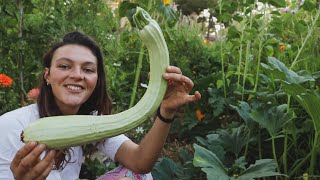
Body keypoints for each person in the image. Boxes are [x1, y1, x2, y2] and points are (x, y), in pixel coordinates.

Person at [0, 31, 201, 180]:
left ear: (97, 80)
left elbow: (140, 162)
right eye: (64, 66)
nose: (77, 75)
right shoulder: (11, 126)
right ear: (47, 76)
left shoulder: (94, 122)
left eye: (88, 69)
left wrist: (165, 111)